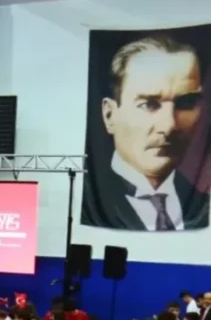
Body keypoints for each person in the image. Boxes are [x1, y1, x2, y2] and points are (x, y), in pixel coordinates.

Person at [82, 34, 209, 231]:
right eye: (149, 104)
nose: (168, 126)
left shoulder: (202, 203)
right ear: (109, 115)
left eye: (185, 103)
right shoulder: (91, 200)